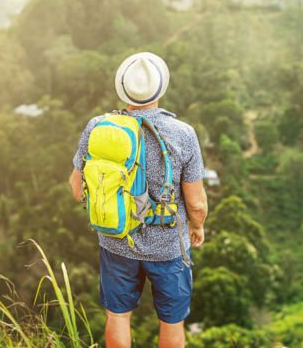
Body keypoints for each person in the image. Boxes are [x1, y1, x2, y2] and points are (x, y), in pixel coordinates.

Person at [68, 52, 208, 348]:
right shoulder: (183, 133)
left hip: (117, 240)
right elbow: (196, 203)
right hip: (169, 246)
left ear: (124, 88)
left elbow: (77, 187)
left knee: (118, 315)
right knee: (172, 319)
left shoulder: (99, 126)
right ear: (160, 89)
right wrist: (197, 227)